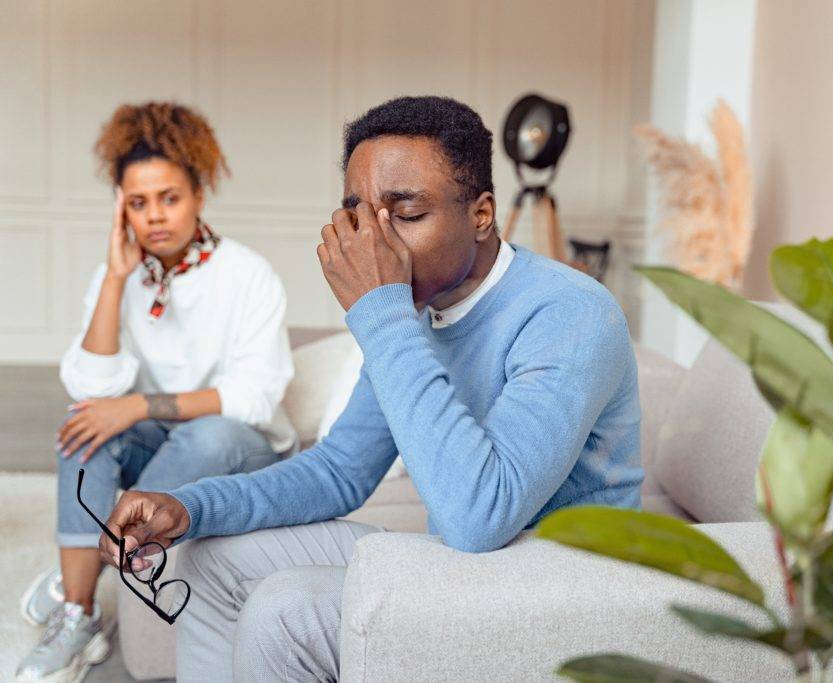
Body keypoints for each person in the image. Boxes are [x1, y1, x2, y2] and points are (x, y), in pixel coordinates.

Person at [98, 95, 643, 681]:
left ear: (481, 214)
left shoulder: (570, 313)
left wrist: (382, 315)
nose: (376, 244)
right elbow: (340, 470)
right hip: (467, 566)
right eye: (359, 216)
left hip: (557, 587)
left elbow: (479, 516)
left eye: (406, 214)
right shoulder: (419, 309)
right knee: (211, 558)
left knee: (286, 611)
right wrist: (190, 505)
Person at [16, 102, 296, 683]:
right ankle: (80, 612)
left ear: (199, 192)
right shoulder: (116, 276)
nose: (155, 216)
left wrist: (141, 404)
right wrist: (117, 278)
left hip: (242, 454)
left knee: (207, 433)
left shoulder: (247, 274)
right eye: (137, 203)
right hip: (162, 450)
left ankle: (89, 564)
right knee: (85, 424)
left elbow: (254, 398)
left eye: (169, 197)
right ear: (121, 207)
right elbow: (91, 385)